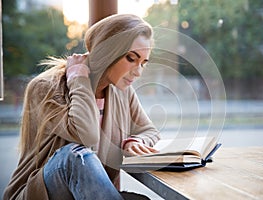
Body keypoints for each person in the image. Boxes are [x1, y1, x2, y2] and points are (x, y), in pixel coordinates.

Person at [3, 14, 160, 200]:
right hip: (41, 192)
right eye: (131, 58)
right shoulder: (45, 87)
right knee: (76, 157)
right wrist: (79, 80)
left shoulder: (122, 91)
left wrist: (136, 141)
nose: (138, 71)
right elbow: (87, 135)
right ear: (108, 50)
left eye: (143, 62)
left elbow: (149, 130)